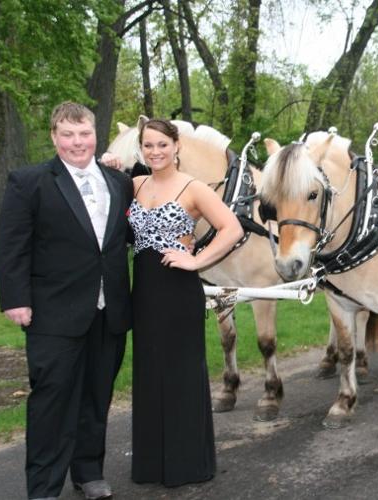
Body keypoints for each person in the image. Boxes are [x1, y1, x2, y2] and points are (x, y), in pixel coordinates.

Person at [0, 102, 133, 500]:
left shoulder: (118, 181)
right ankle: (43, 487)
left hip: (109, 312)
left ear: (96, 134)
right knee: (51, 402)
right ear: (54, 137)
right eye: (68, 134)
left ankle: (89, 472)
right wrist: (15, 299)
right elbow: (11, 246)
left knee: (96, 396)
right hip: (53, 313)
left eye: (84, 133)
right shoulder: (29, 181)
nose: (77, 142)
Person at [128, 118, 243, 487]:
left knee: (181, 375)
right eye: (148, 145)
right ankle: (151, 465)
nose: (155, 151)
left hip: (178, 290)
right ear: (141, 149)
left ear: (177, 146)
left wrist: (196, 260)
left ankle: (186, 464)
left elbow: (233, 228)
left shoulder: (193, 188)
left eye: (162, 144)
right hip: (144, 290)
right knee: (148, 374)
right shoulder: (134, 184)